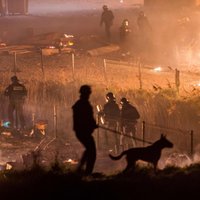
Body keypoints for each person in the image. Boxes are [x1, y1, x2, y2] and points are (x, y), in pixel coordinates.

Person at [72, 85, 98, 175]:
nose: (89, 94)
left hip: (81, 131)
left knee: (89, 150)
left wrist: (92, 124)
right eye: (88, 93)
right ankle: (87, 172)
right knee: (92, 151)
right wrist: (92, 124)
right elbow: (85, 118)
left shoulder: (80, 103)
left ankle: (81, 170)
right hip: (83, 131)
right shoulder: (83, 104)